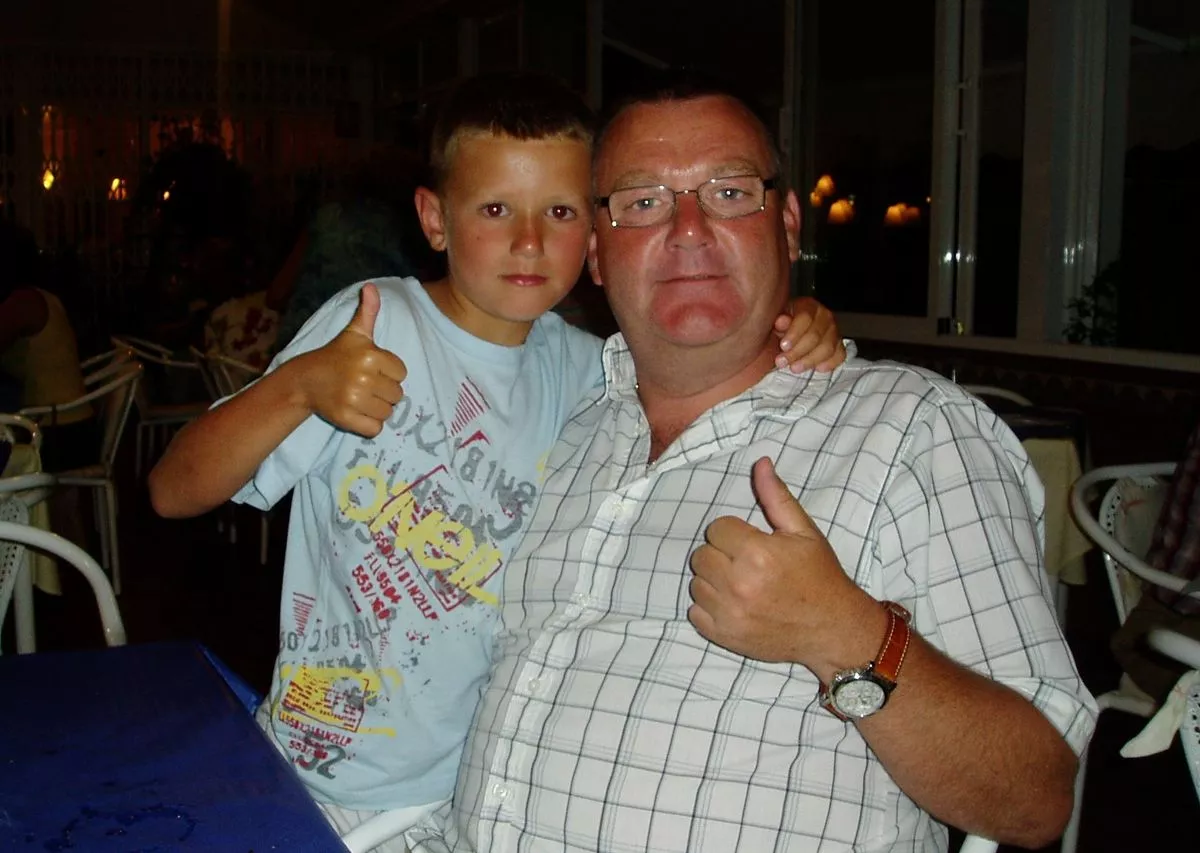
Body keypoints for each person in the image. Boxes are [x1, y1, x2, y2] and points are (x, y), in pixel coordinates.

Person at [147, 72, 844, 850]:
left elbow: (715, 372)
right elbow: (173, 491)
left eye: (560, 210)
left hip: (473, 795)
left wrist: (801, 319)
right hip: (315, 775)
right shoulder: (373, 323)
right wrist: (299, 388)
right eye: (494, 209)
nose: (528, 241)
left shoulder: (596, 370)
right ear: (434, 219)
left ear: (597, 233)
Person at [406, 77, 1097, 853]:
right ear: (596, 254)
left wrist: (846, 635)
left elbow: (1036, 796)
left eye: (730, 191)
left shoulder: (910, 429)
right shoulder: (556, 420)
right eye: (642, 201)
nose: (690, 228)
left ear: (789, 224)